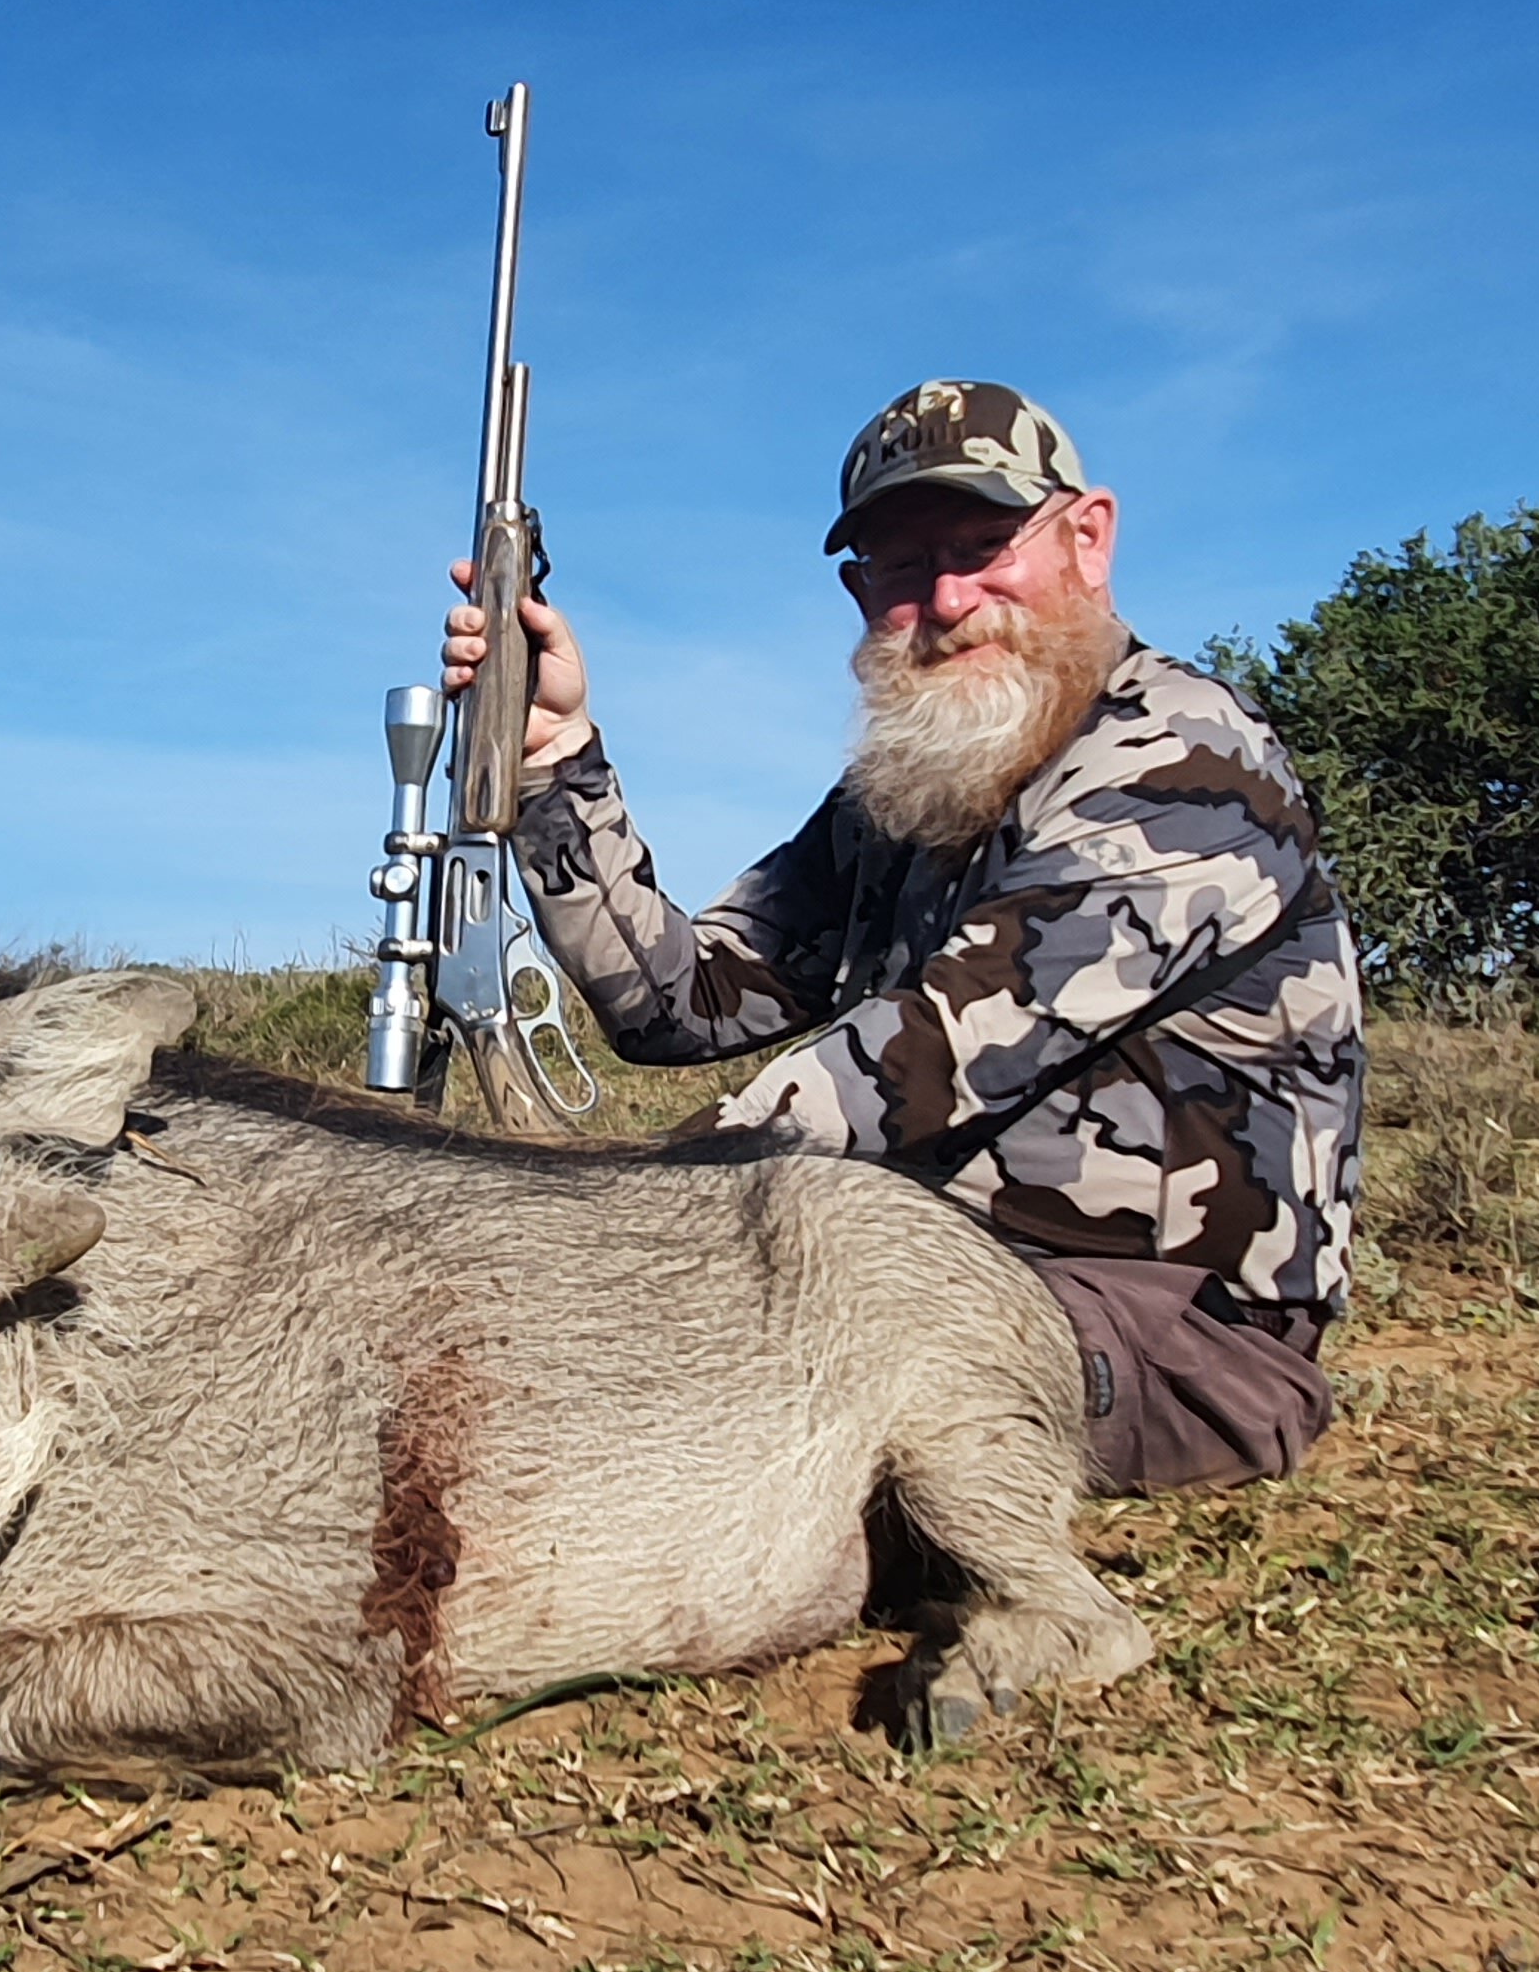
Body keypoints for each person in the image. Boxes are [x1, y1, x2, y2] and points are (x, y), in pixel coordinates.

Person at [440, 379, 1363, 1493]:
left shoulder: (1186, 761)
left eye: (984, 543)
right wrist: (552, 761)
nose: (950, 597)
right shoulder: (911, 784)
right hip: (907, 1267)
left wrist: (583, 1222)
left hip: (1167, 1335)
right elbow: (679, 1002)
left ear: (1089, 536)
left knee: (681, 1398)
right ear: (856, 588)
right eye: (902, 567)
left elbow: (928, 1054)